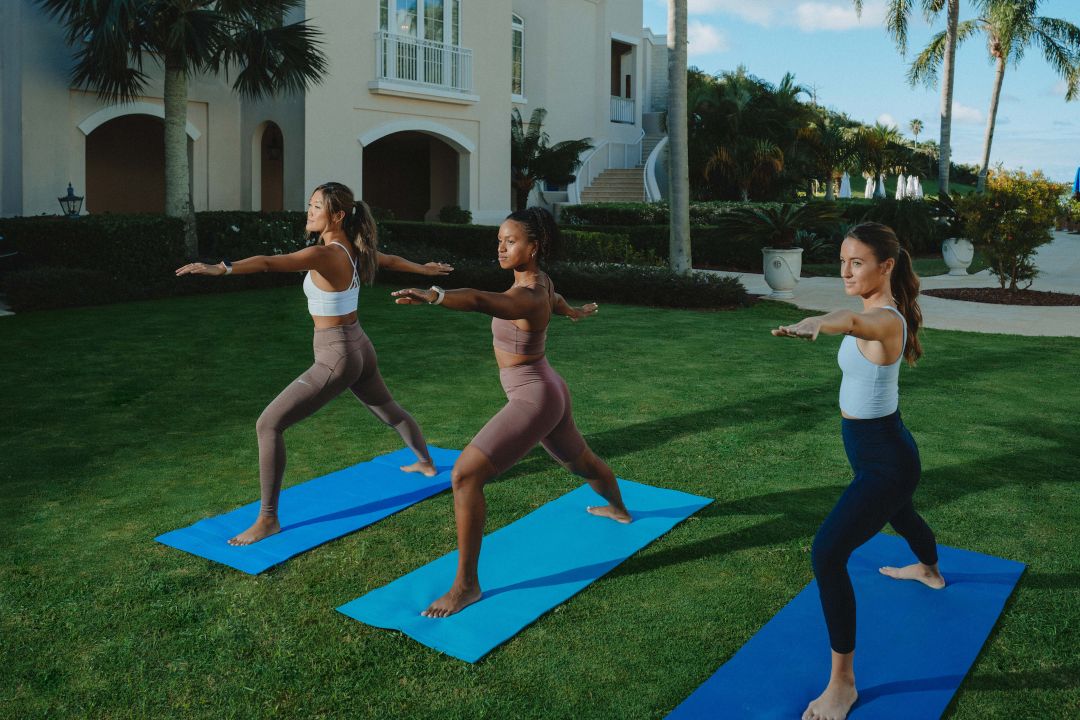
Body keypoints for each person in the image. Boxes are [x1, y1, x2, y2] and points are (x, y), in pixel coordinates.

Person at [175, 182, 453, 546]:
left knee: (268, 424)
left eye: (316, 207)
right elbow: (391, 260)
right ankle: (426, 463)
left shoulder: (325, 255)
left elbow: (270, 263)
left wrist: (222, 269)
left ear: (336, 215)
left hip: (338, 354)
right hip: (359, 345)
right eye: (310, 205)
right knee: (387, 409)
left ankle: (268, 519)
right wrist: (424, 270)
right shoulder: (356, 249)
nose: (309, 212)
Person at [391, 207, 632, 618]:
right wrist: (570, 311)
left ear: (534, 247)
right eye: (499, 240)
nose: (501, 247)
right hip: (547, 387)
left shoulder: (527, 293)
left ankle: (466, 586)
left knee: (465, 475)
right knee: (582, 463)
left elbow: (485, 300)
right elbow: (553, 298)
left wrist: (436, 295)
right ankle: (620, 509)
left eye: (511, 241)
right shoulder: (537, 284)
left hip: (535, 397)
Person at [771, 222, 944, 720]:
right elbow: (851, 317)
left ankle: (842, 684)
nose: (845, 271)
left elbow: (848, 320)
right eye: (842, 261)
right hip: (877, 453)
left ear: (885, 266)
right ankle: (930, 570)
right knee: (902, 515)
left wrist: (818, 323)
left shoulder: (886, 320)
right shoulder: (874, 311)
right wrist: (822, 322)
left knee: (827, 553)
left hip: (885, 459)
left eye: (857, 263)